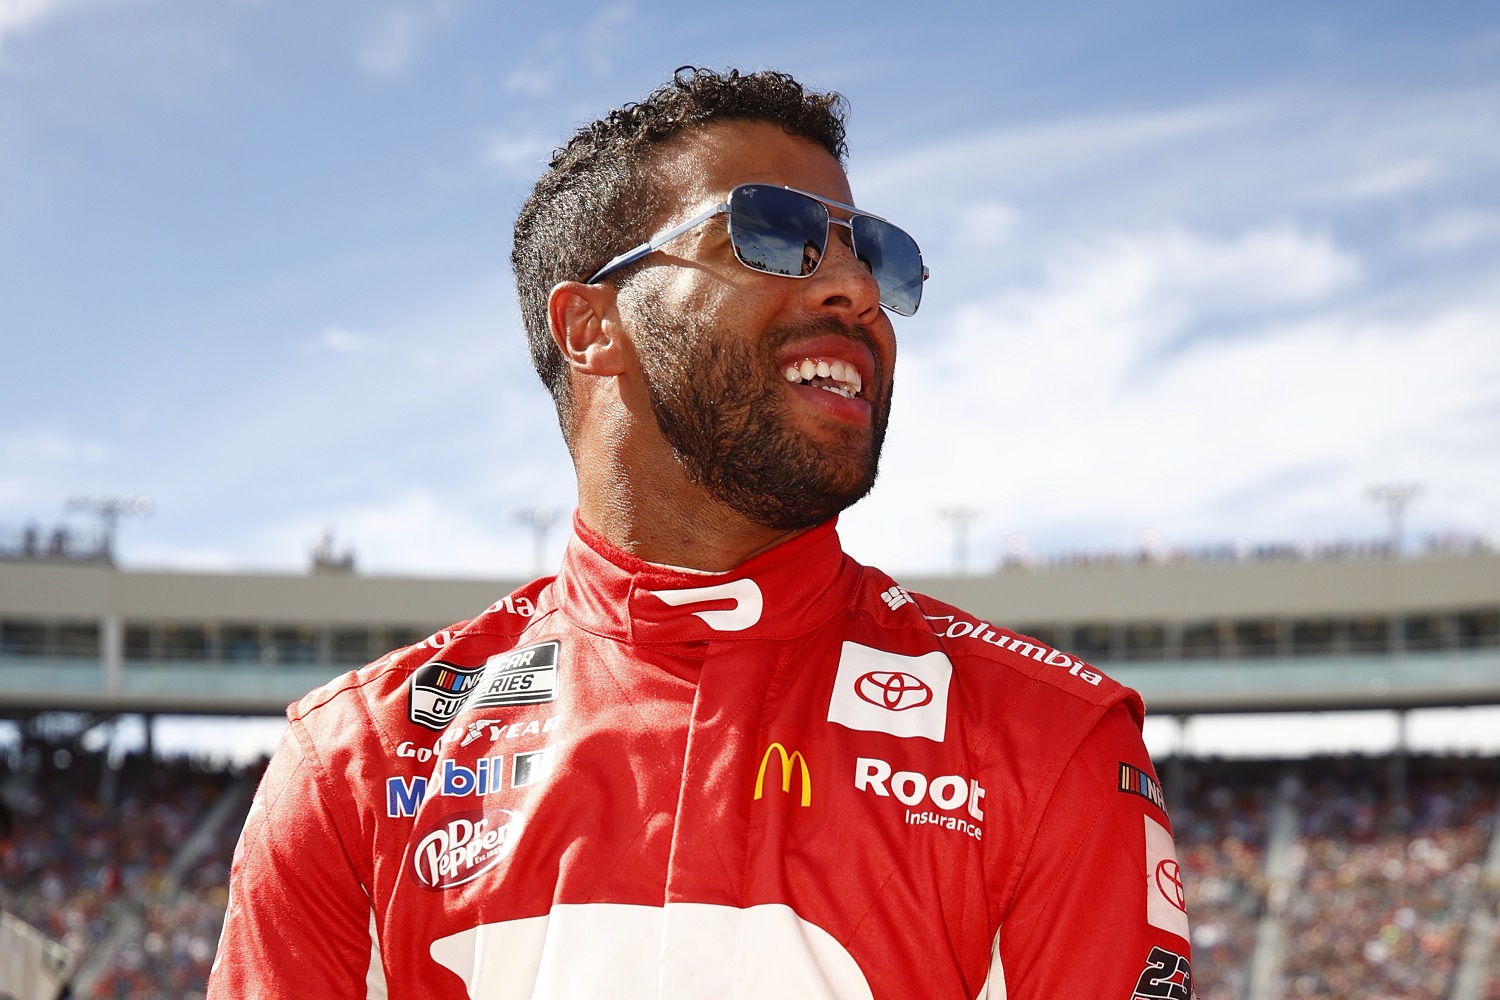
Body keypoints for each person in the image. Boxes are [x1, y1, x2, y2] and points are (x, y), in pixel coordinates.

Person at [207, 67, 1194, 1000]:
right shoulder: (358, 763)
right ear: (592, 323)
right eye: (773, 234)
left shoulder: (1050, 742)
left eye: (871, 253)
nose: (852, 287)